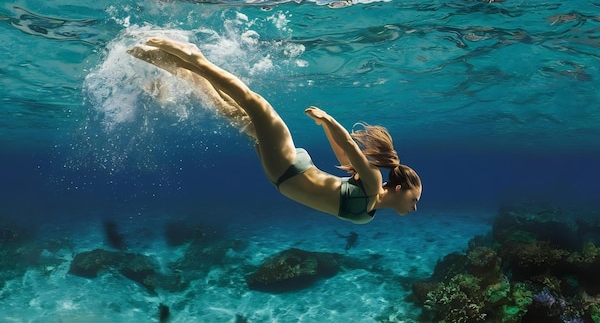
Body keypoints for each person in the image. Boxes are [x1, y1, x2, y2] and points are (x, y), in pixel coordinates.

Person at [128, 38, 422, 224]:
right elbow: (348, 150)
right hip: (283, 173)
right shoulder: (371, 183)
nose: (415, 207)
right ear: (399, 188)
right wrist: (326, 121)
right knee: (237, 108)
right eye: (414, 199)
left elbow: (346, 157)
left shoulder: (369, 208)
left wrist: (326, 124)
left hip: (287, 169)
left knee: (254, 104)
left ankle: (194, 60)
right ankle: (182, 65)